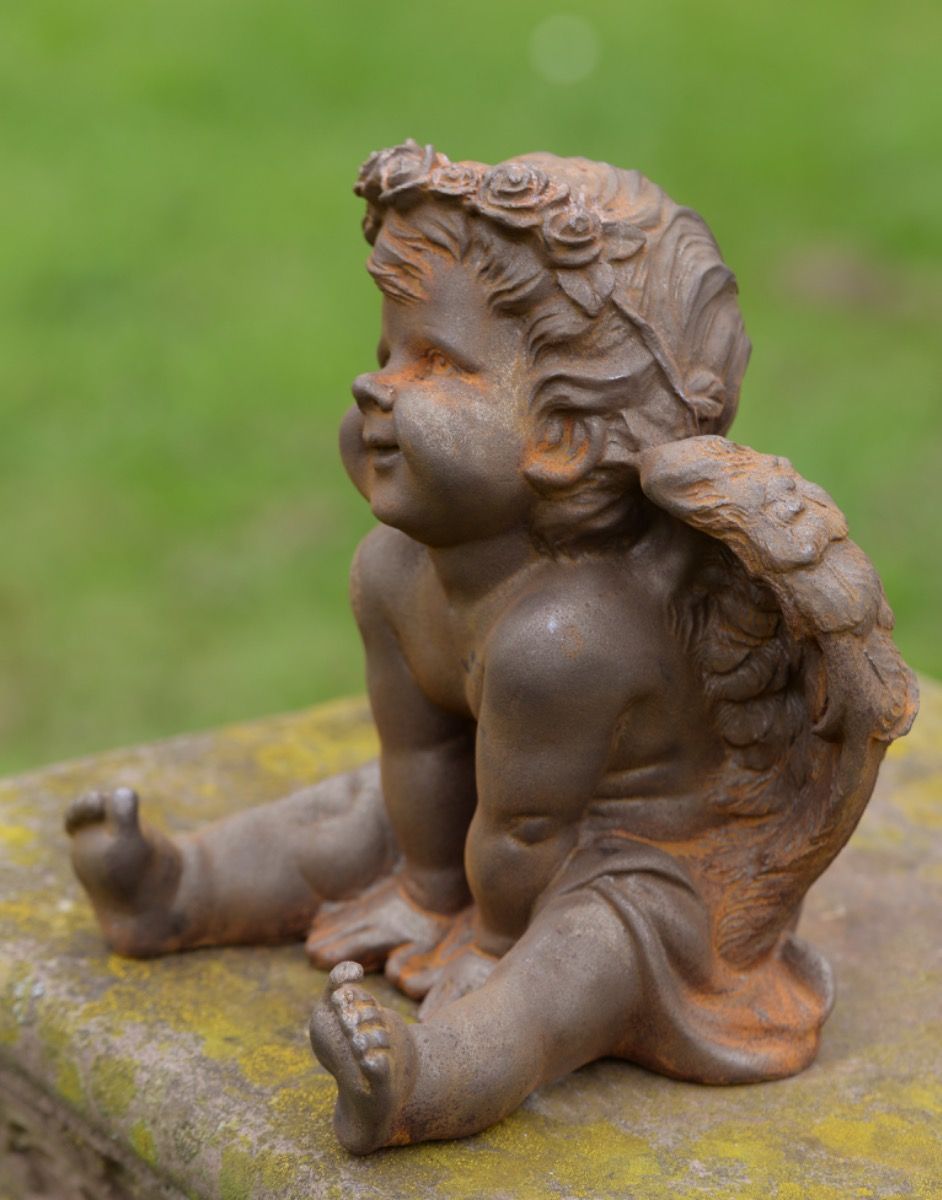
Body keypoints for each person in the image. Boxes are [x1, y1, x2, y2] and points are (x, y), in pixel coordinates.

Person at [66, 143, 917, 1153]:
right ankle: (176, 888)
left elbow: (524, 846)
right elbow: (420, 755)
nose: (373, 386)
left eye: (433, 363)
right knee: (353, 812)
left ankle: (432, 1078)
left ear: (561, 434)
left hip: (629, 864)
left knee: (575, 962)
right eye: (386, 352)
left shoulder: (566, 635)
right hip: (493, 810)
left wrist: (484, 943)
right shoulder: (392, 571)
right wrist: (424, 889)